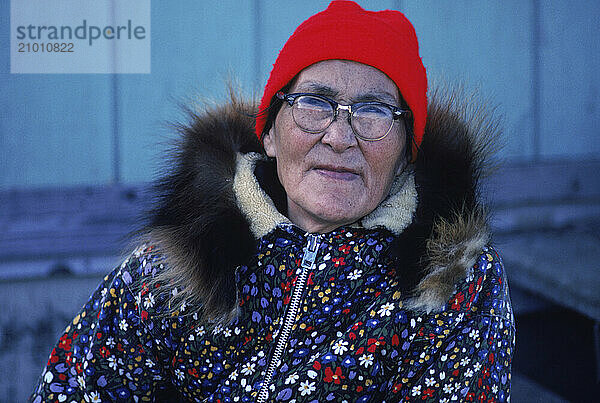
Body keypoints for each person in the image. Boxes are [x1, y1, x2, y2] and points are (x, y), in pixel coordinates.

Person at [31, 1, 514, 401]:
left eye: (374, 111)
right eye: (315, 103)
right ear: (270, 136)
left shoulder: (448, 283)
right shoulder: (182, 260)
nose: (340, 136)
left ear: (407, 149)